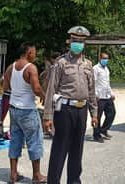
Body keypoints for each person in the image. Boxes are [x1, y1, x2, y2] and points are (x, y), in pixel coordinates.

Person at [44, 26, 98, 184]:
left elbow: (92, 91)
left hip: (82, 110)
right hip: (65, 111)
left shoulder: (88, 64)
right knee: (60, 150)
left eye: (81, 41)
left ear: (84, 43)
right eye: (75, 41)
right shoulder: (61, 63)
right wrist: (48, 116)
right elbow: (51, 90)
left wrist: (94, 114)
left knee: (77, 149)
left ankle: (74, 181)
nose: (78, 44)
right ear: (69, 42)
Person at [2, 42, 47, 184]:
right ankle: (36, 175)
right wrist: (44, 96)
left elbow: (5, 86)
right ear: (29, 53)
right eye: (34, 52)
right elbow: (36, 88)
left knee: (15, 140)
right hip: (27, 110)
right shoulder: (31, 68)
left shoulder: (11, 67)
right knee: (34, 140)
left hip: (14, 109)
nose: (36, 55)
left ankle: (13, 175)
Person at [93, 52, 116, 143]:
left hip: (107, 96)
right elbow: (93, 82)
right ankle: (96, 135)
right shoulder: (95, 68)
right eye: (104, 58)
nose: (105, 60)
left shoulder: (106, 69)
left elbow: (107, 83)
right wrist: (95, 94)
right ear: (100, 58)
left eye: (107, 58)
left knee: (112, 113)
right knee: (97, 116)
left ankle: (103, 130)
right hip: (99, 97)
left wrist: (111, 93)